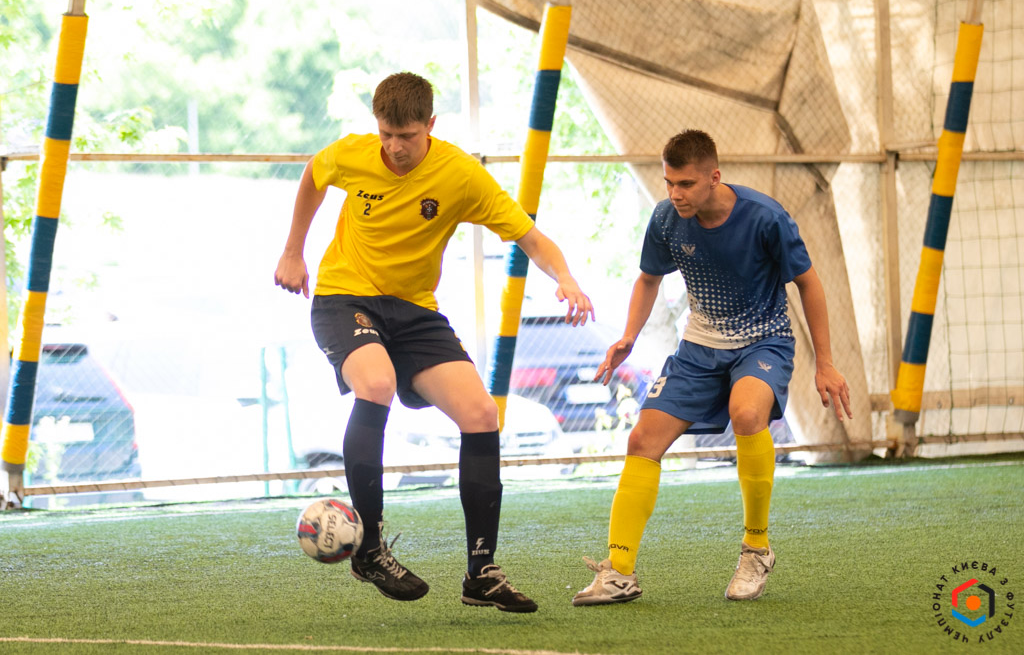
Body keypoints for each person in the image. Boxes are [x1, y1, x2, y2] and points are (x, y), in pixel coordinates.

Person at [274, 72, 594, 613]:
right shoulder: (352, 154)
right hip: (344, 298)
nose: (395, 147)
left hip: (414, 310)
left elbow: (531, 237)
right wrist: (293, 250)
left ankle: (481, 572)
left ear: (430, 125)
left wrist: (565, 279)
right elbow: (313, 175)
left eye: (407, 136)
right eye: (386, 135)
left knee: (481, 414)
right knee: (377, 382)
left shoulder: (459, 174)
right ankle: (369, 550)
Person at [572, 129, 852, 606]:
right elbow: (648, 279)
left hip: (764, 341)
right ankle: (619, 572)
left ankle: (756, 550)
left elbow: (809, 284)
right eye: (669, 182)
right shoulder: (667, 219)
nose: (675, 194)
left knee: (747, 414)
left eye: (685, 184)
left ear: (714, 178)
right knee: (641, 441)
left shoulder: (765, 217)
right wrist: (628, 336)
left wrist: (824, 362)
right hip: (699, 346)